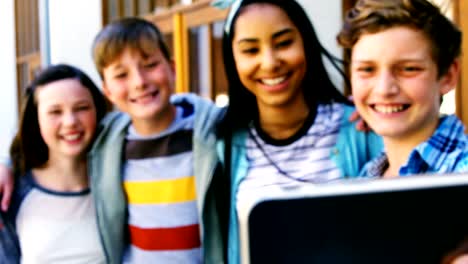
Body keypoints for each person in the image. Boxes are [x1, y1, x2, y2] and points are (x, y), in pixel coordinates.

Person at [216, 0, 383, 262]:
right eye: (250, 50)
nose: (270, 63)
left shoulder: (359, 127)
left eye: (283, 43)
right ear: (232, 59)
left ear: (306, 43)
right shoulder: (221, 143)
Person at [88, 17, 225, 263]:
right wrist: (7, 164)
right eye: (121, 75)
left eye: (150, 65)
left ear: (172, 69)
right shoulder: (105, 144)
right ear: (107, 91)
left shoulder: (211, 130)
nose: (139, 82)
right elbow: (52, 149)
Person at [337, 0, 468, 177]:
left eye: (409, 69)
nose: (384, 89)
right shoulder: (367, 175)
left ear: (447, 77)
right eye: (367, 70)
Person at [0, 64, 108, 263]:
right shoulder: (12, 194)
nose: (70, 121)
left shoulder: (118, 180)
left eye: (82, 108)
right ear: (36, 120)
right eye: (55, 112)